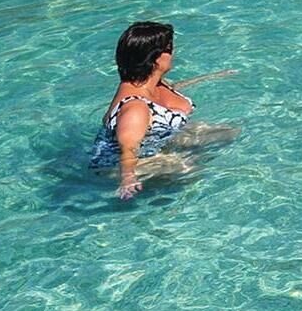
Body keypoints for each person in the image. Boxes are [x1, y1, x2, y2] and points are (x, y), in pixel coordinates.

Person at [90, 21, 237, 200]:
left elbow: (175, 88)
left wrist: (214, 76)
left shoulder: (151, 83)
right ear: (154, 58)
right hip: (122, 165)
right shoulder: (136, 108)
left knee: (228, 132)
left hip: (157, 140)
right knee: (191, 167)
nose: (173, 53)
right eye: (169, 49)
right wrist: (128, 179)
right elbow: (127, 148)